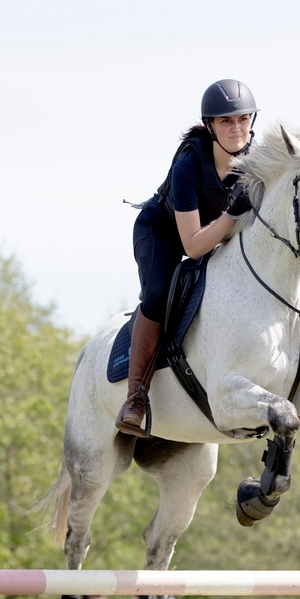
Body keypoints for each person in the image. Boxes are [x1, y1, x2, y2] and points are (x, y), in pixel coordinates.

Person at [115, 79, 258, 436]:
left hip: (212, 236)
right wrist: (230, 215)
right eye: (226, 121)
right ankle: (136, 397)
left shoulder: (259, 162)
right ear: (210, 126)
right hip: (160, 232)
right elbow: (193, 246)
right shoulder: (189, 165)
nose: (237, 128)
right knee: (160, 293)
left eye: (243, 119)